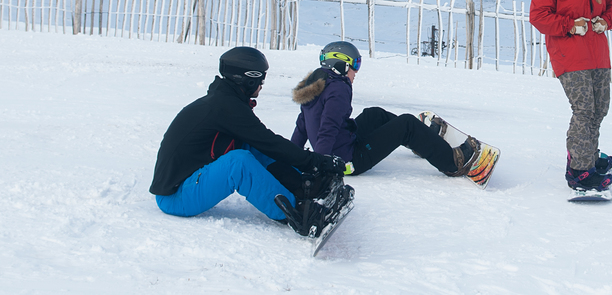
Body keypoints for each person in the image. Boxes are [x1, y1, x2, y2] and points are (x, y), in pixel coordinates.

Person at [149, 46, 351, 237]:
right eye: (261, 79)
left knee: (250, 146)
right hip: (175, 196)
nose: (262, 85)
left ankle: (303, 186)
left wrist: (310, 167)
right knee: (238, 162)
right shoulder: (224, 107)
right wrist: (317, 160)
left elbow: (264, 143)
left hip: (191, 180)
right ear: (248, 79)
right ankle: (299, 213)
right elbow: (269, 141)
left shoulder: (224, 101)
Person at [290, 41, 476, 178]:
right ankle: (453, 163)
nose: (356, 72)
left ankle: (422, 141)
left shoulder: (314, 84)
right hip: (349, 161)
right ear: (341, 64)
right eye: (355, 65)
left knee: (374, 115)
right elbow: (327, 128)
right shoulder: (338, 88)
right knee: (407, 124)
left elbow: (302, 126)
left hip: (342, 145)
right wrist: (323, 165)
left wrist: (293, 157)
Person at [529, 0, 612, 192]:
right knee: (584, 111)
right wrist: (570, 26)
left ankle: (590, 156)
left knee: (599, 109)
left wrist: (606, 21)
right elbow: (538, 16)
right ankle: (579, 171)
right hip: (569, 57)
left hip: (598, 55)